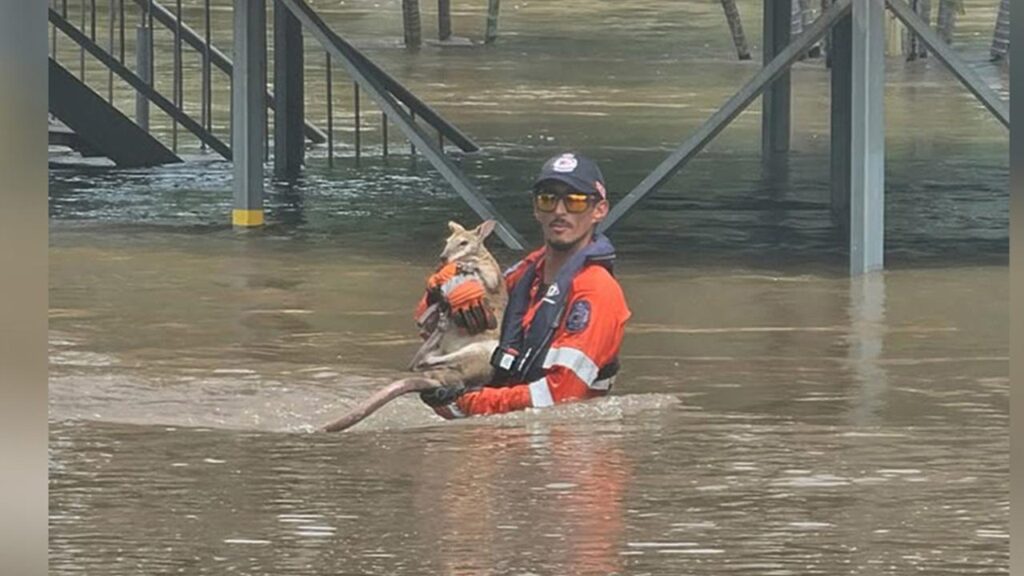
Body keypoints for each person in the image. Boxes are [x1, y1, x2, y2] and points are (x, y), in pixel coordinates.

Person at [418, 152, 631, 419]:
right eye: (547, 199)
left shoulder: (598, 292)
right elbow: (427, 329)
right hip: (504, 425)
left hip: (564, 449)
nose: (559, 211)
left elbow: (563, 397)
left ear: (599, 210)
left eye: (575, 202)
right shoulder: (524, 274)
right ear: (536, 208)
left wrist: (469, 403)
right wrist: (444, 289)